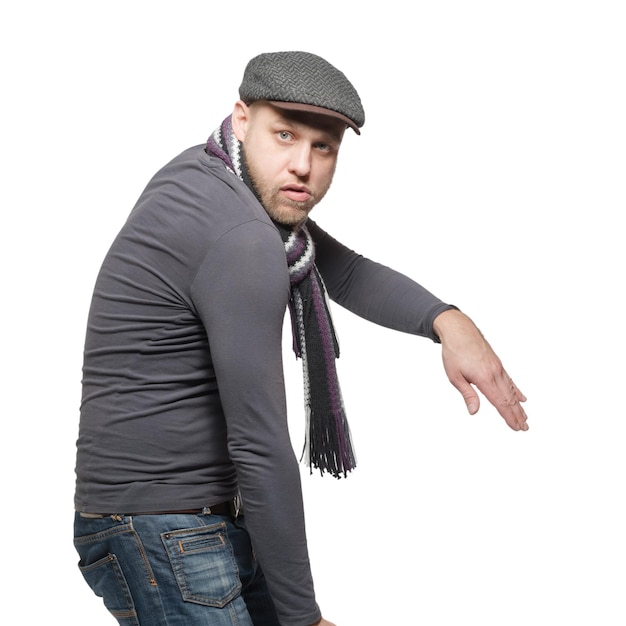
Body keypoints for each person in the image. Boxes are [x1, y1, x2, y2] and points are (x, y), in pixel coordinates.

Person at [73, 50, 528, 626]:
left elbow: (344, 270)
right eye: (284, 135)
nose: (302, 166)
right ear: (242, 118)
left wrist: (448, 321)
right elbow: (260, 444)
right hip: (162, 526)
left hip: (185, 515)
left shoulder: (212, 173)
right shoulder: (239, 235)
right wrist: (303, 617)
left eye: (323, 147)